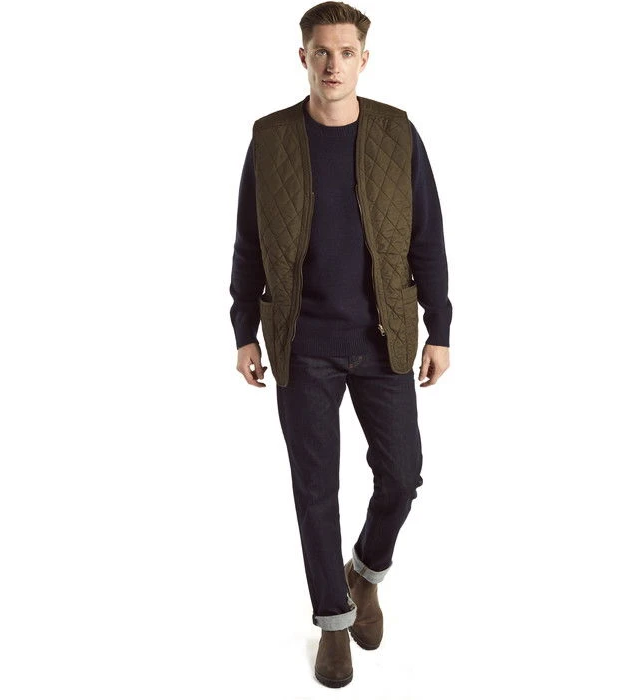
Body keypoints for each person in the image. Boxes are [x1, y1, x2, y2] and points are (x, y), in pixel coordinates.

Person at [229, 1, 452, 688]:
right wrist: (243, 330)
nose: (333, 64)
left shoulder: (396, 132)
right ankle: (332, 621)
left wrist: (440, 328)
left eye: (345, 52)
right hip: (302, 343)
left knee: (403, 474)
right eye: (321, 52)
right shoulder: (269, 139)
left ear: (363, 59)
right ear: (303, 57)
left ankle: (366, 572)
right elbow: (248, 242)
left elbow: (428, 236)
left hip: (383, 337)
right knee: (315, 489)